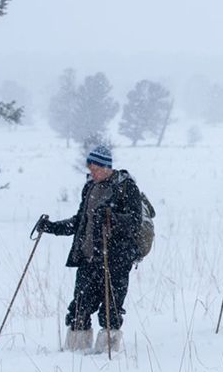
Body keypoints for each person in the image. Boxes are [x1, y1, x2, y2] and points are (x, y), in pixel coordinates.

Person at [36, 145, 143, 352]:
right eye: (89, 167)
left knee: (111, 310)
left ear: (105, 167)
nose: (91, 172)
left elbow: (135, 222)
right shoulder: (90, 188)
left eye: (94, 168)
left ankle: (107, 353)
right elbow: (80, 222)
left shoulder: (126, 187)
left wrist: (113, 218)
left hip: (117, 259)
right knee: (79, 307)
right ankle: (75, 351)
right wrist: (51, 227)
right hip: (88, 258)